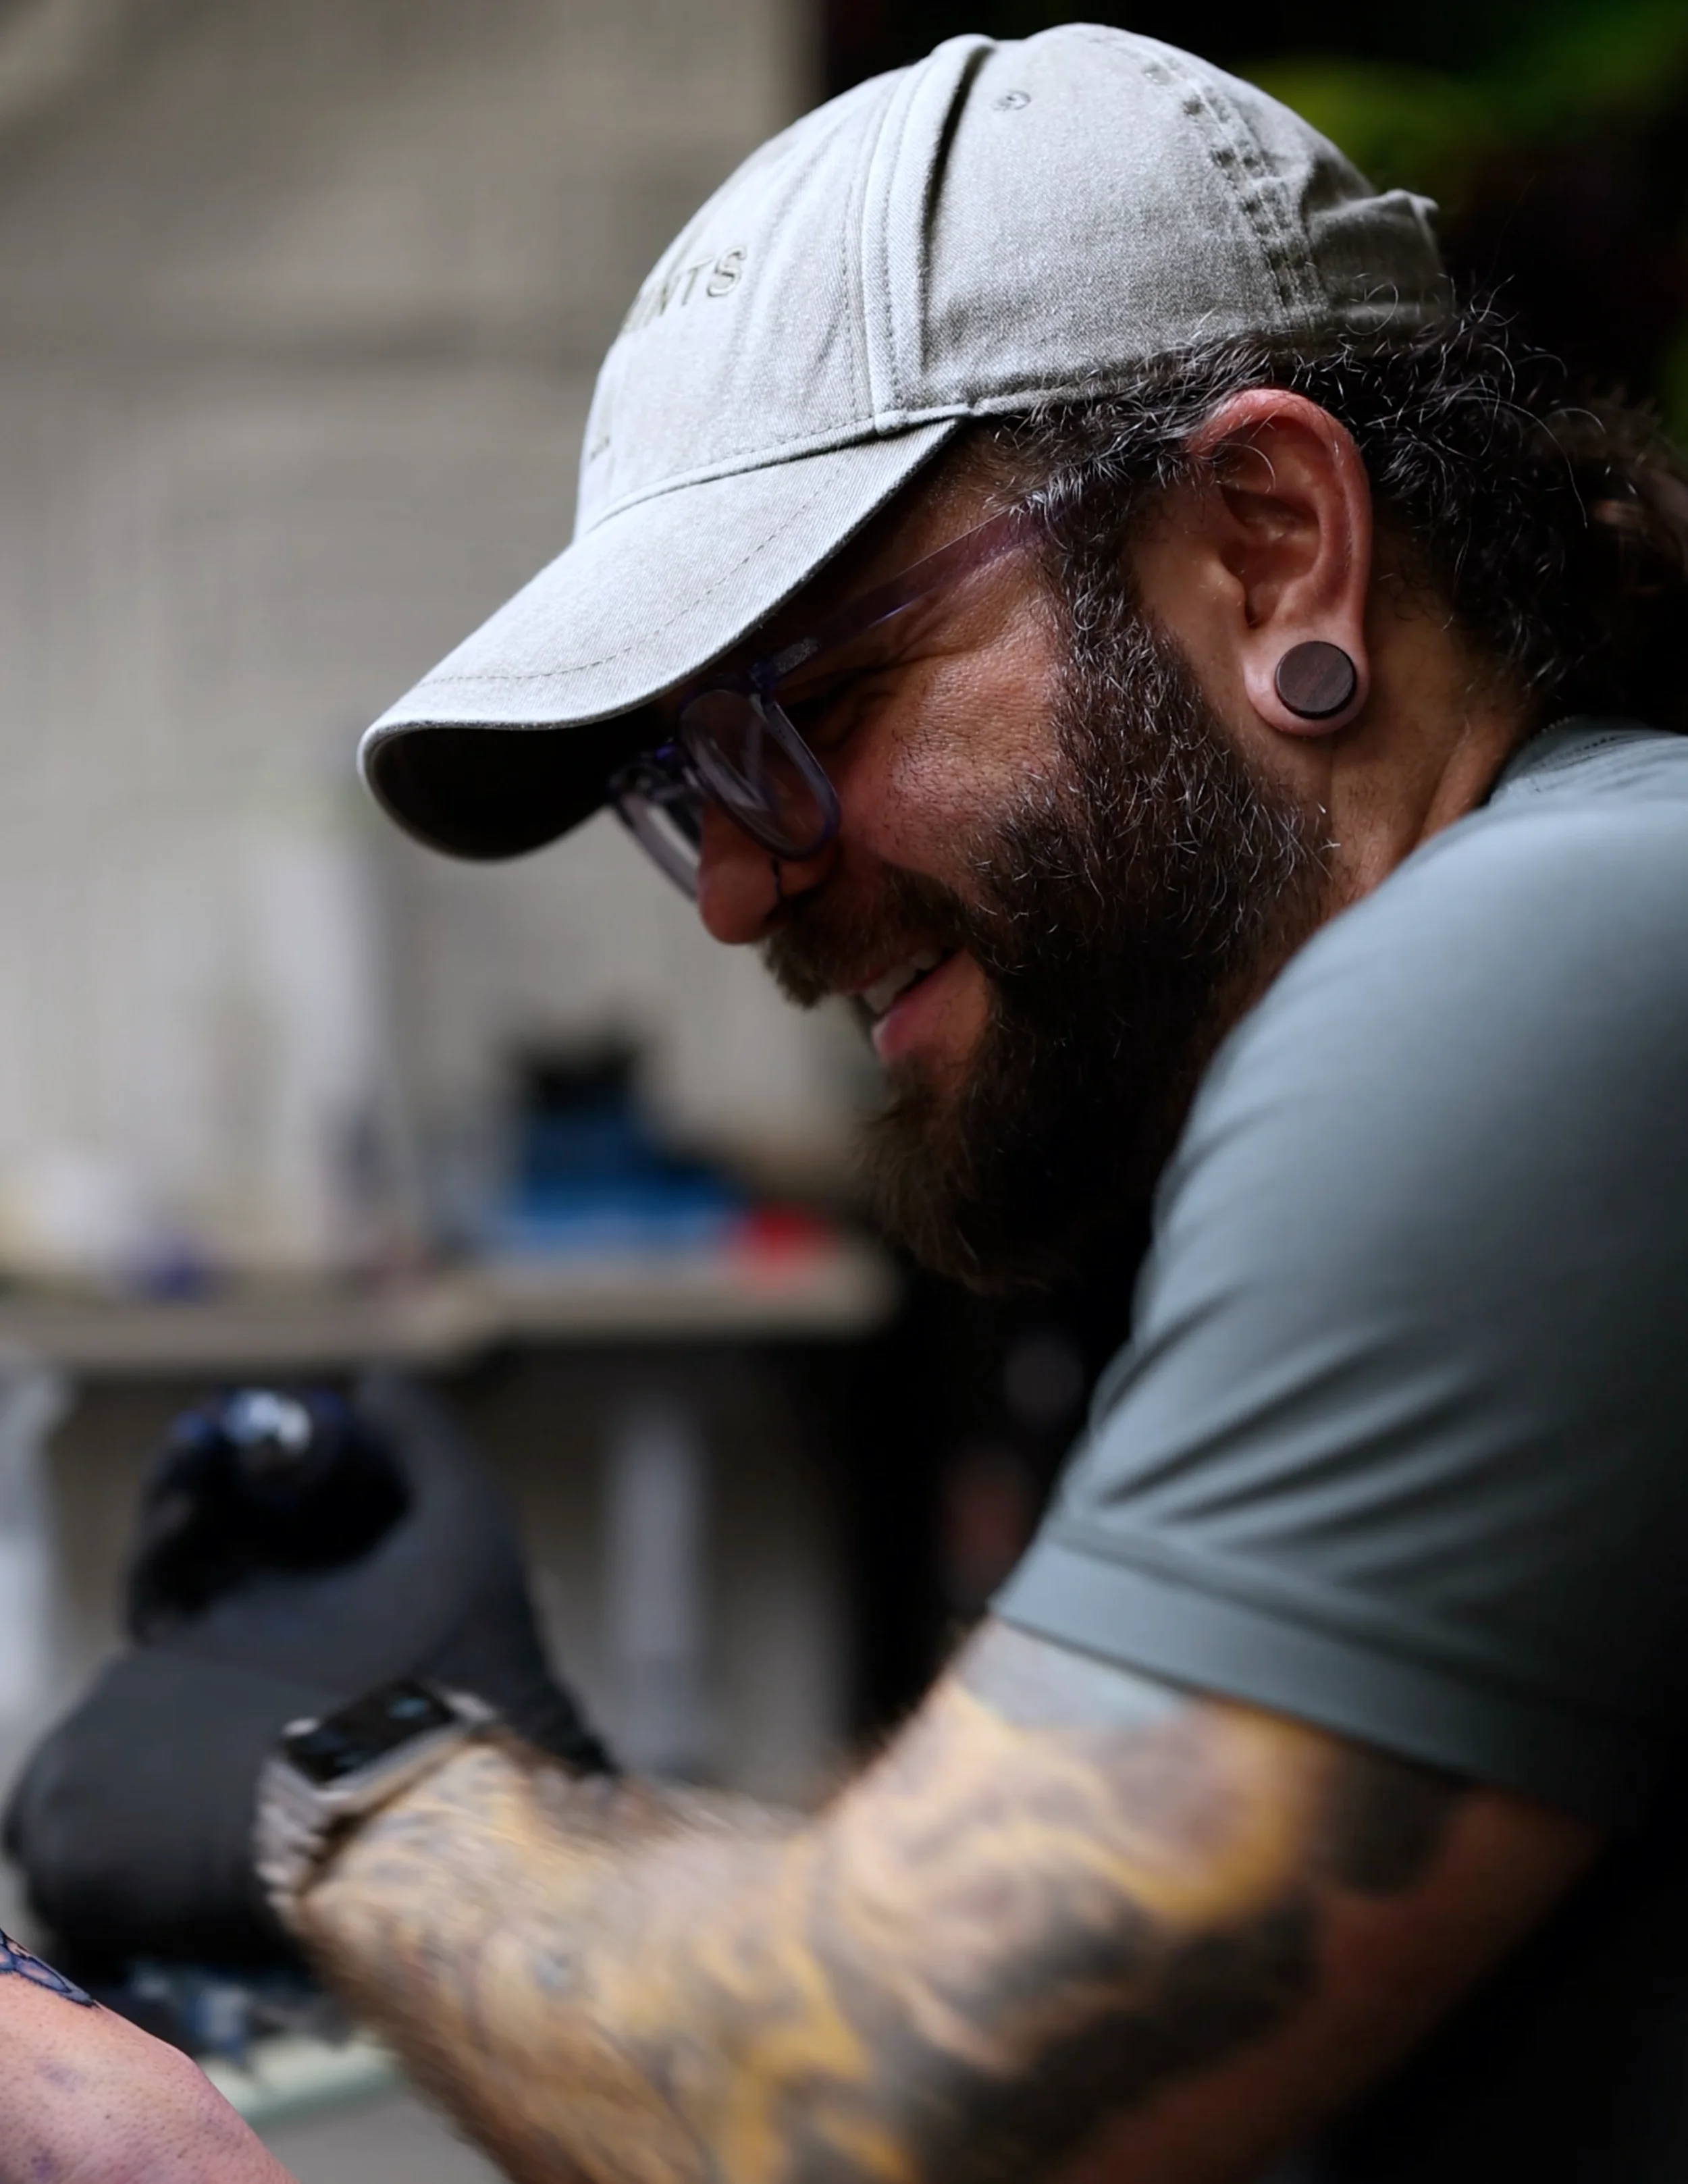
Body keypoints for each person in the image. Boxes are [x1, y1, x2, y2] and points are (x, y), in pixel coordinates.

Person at [12, 22, 1688, 2183]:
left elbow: (890, 2100)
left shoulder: (1531, 964)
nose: (731, 888)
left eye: (808, 708)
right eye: (679, 788)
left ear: (1270, 542)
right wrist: (528, 1795)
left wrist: (350, 1805)